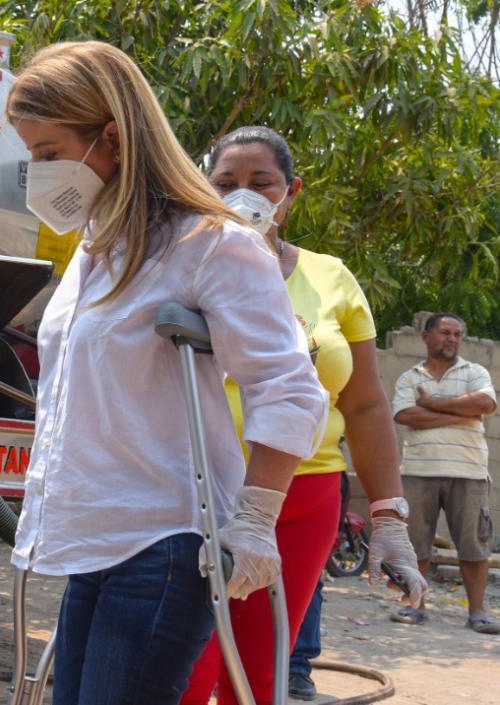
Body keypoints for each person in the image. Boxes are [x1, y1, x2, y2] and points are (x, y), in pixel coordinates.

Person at [5, 42, 327, 705]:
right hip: (95, 540)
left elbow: (288, 385)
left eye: (48, 152)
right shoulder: (97, 248)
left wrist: (258, 516)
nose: (36, 171)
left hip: (162, 543)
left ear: (112, 139)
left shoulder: (213, 244)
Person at [181, 126, 428, 704]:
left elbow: (364, 404)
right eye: (226, 183)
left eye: (261, 183)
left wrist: (389, 517)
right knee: (187, 670)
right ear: (204, 189)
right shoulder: (180, 266)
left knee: (262, 676)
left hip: (304, 497)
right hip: (198, 491)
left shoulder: (330, 277)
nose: (245, 196)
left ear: (291, 193)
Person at [390, 312, 498, 634]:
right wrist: (461, 414)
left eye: (457, 334)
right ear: (426, 337)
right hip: (418, 469)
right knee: (415, 542)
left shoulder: (474, 372)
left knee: (474, 544)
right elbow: (406, 415)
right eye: (444, 332)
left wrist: (434, 403)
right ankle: (415, 606)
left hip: (469, 471)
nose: (451, 339)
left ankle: (478, 611)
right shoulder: (410, 377)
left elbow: (484, 403)